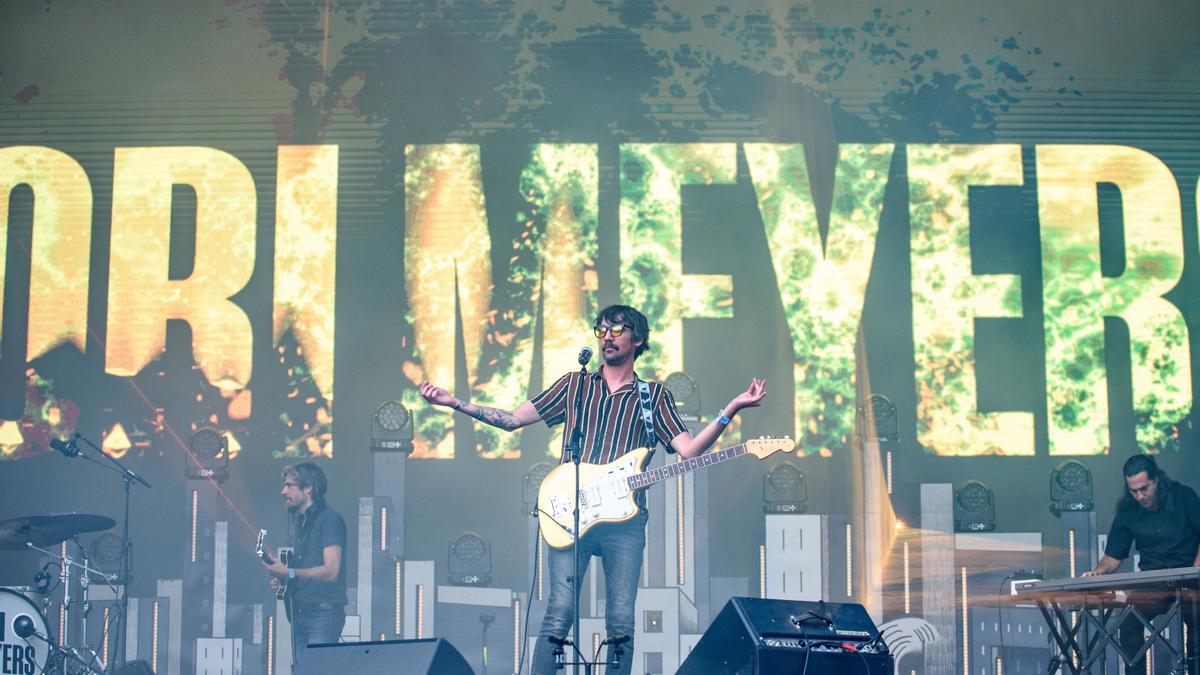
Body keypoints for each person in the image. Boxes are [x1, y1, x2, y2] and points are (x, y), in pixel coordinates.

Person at [420, 304, 766, 675]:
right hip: (569, 513)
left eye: (617, 329)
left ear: (638, 339)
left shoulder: (654, 397)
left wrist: (732, 408)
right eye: (601, 329)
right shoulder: (575, 385)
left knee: (620, 622)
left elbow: (690, 451)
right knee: (559, 614)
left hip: (625, 524)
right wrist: (454, 403)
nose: (607, 336)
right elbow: (511, 420)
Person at [1082, 454, 1200, 673]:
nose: (1140, 496)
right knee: (1128, 623)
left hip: (1191, 579)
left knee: (1198, 623)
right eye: (1134, 491)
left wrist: (1195, 569)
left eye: (1144, 488)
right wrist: (1097, 572)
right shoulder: (1128, 512)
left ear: (1157, 480)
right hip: (1153, 582)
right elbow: (1112, 557)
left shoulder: (1184, 496)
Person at [262, 462, 347, 666]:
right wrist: (284, 580)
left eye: (289, 485)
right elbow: (302, 573)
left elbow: (331, 571)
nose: (283, 491)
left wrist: (289, 572)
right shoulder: (300, 524)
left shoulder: (329, 519)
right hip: (300, 615)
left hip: (323, 615)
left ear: (308, 488)